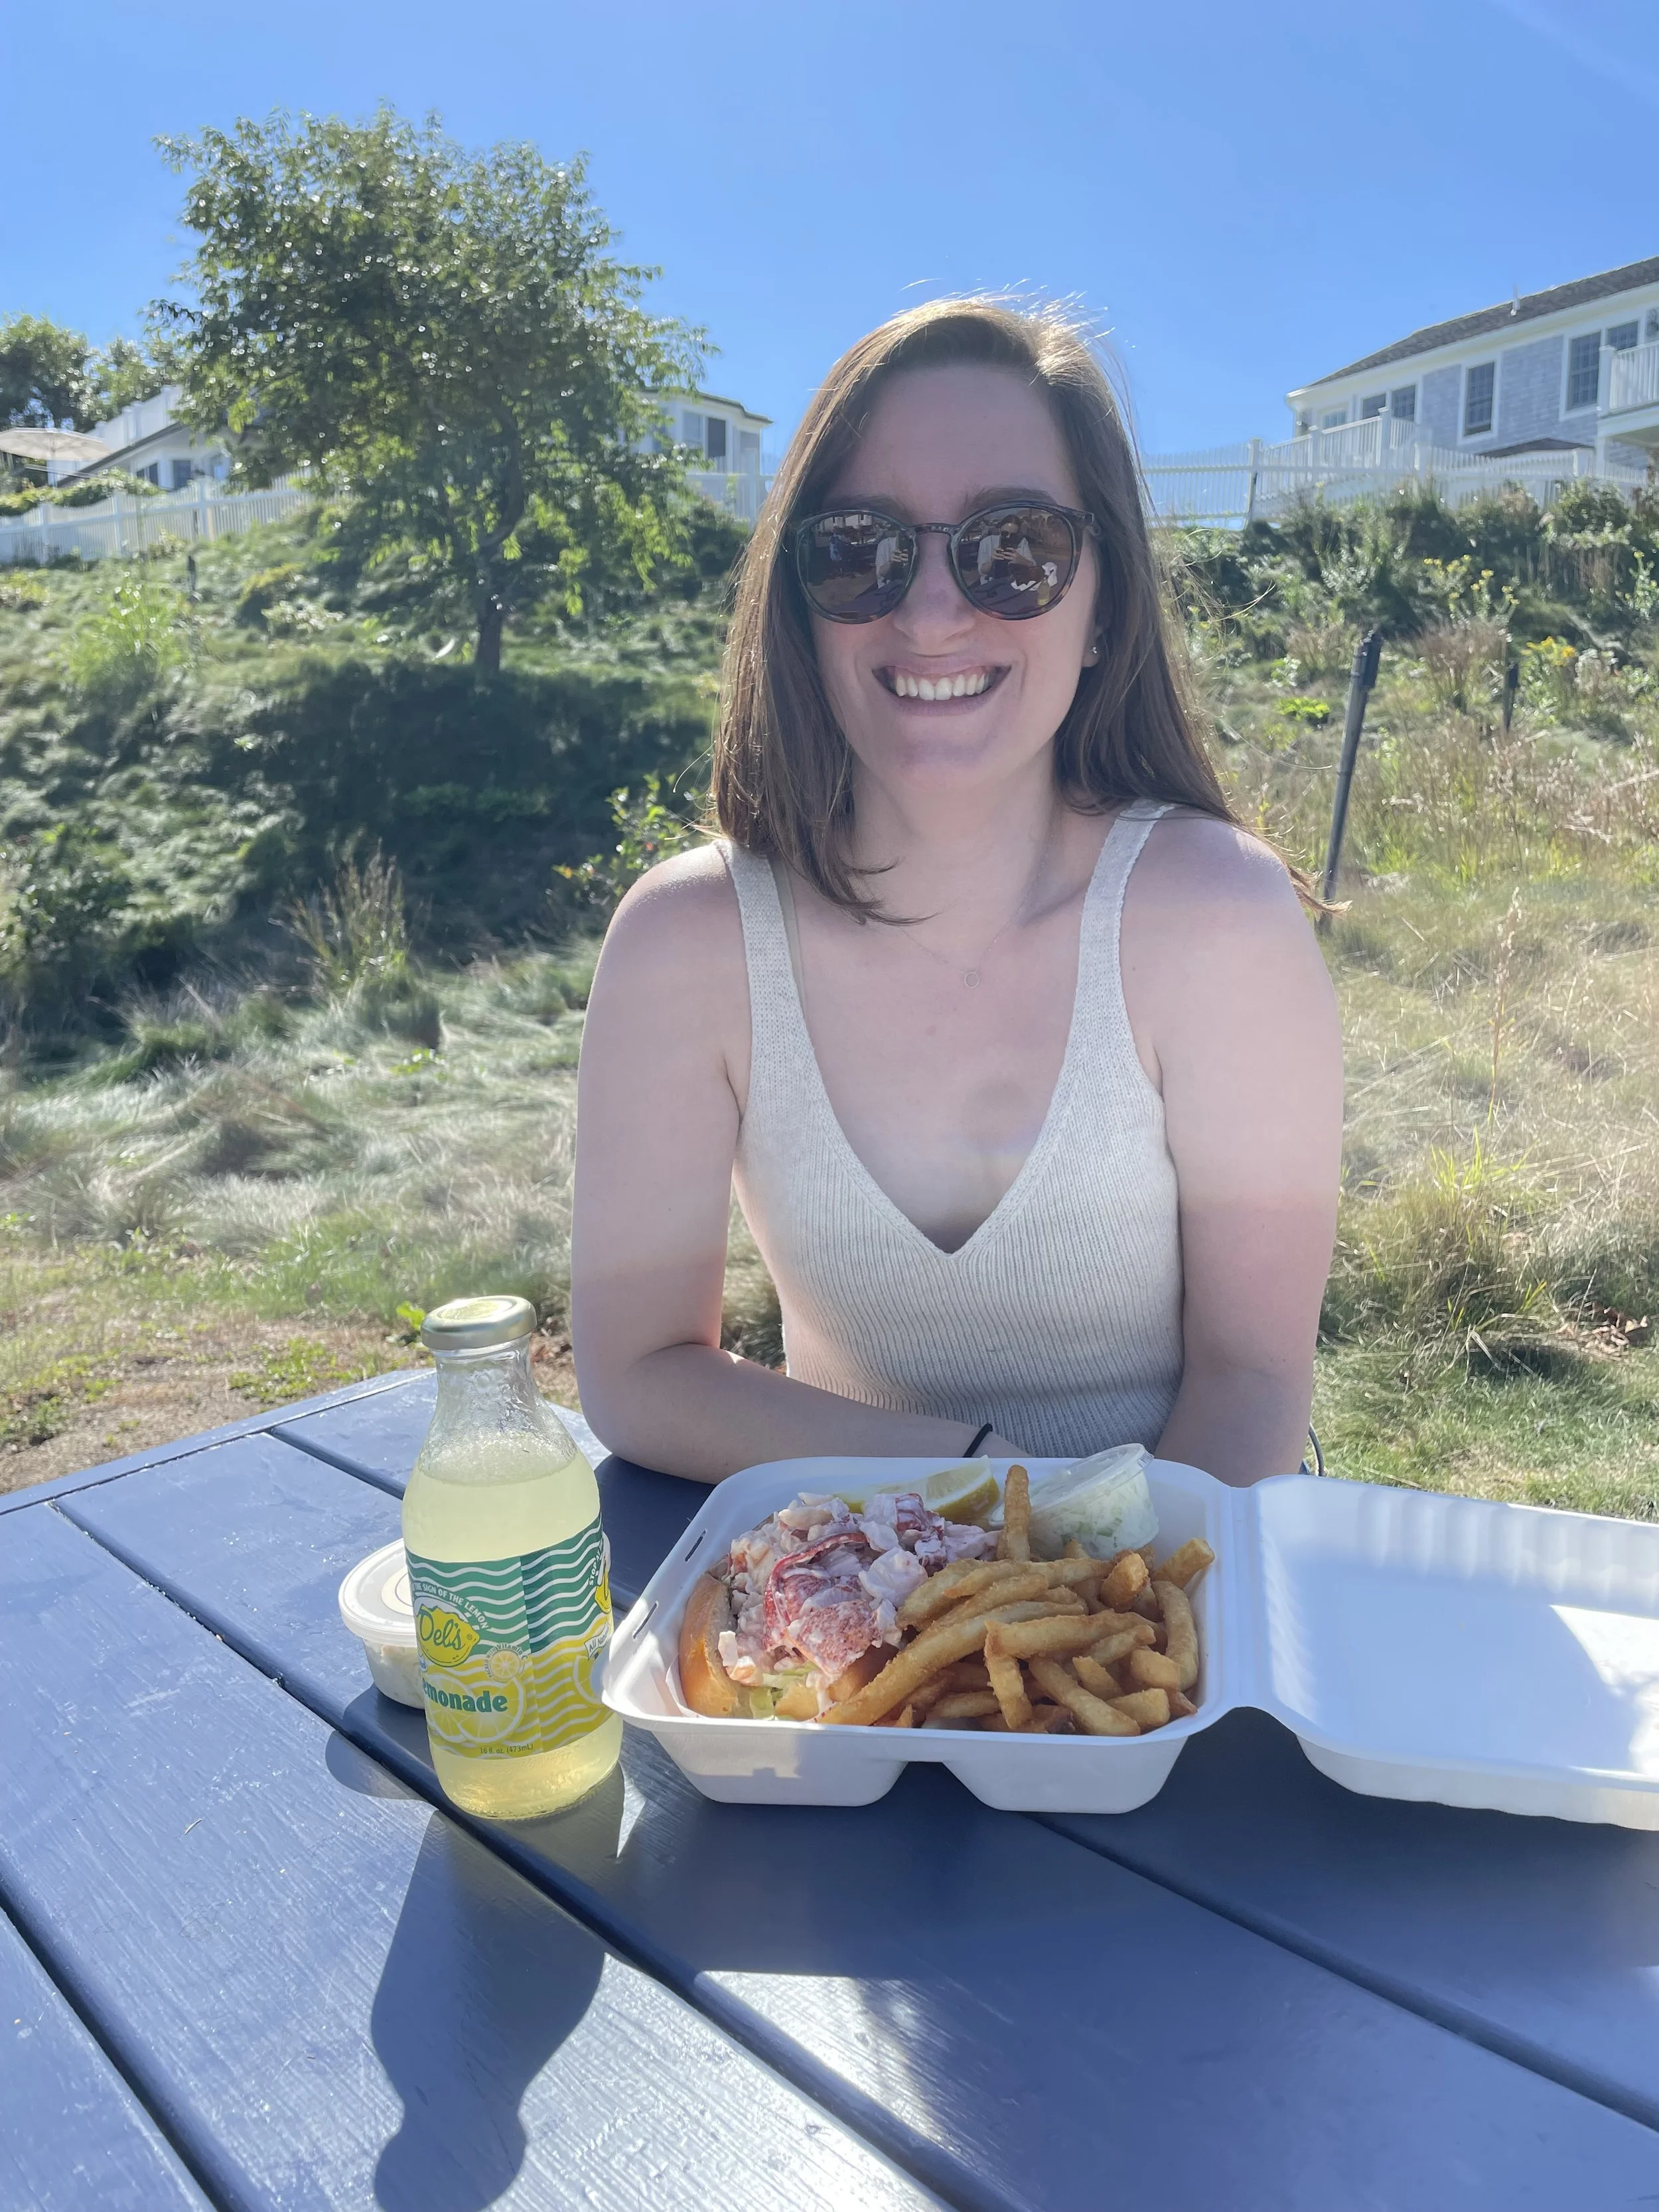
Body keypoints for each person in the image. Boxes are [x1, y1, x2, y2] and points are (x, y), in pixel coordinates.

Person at [571, 298, 1342, 1486]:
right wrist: (981, 1482)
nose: (932, 614)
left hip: (1174, 1613)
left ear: (1103, 607)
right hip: (849, 1604)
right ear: (799, 605)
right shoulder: (689, 944)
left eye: (1015, 549)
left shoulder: (1217, 918)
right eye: (859, 549)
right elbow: (640, 1371)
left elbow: (1253, 1381)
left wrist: (1103, 1611)